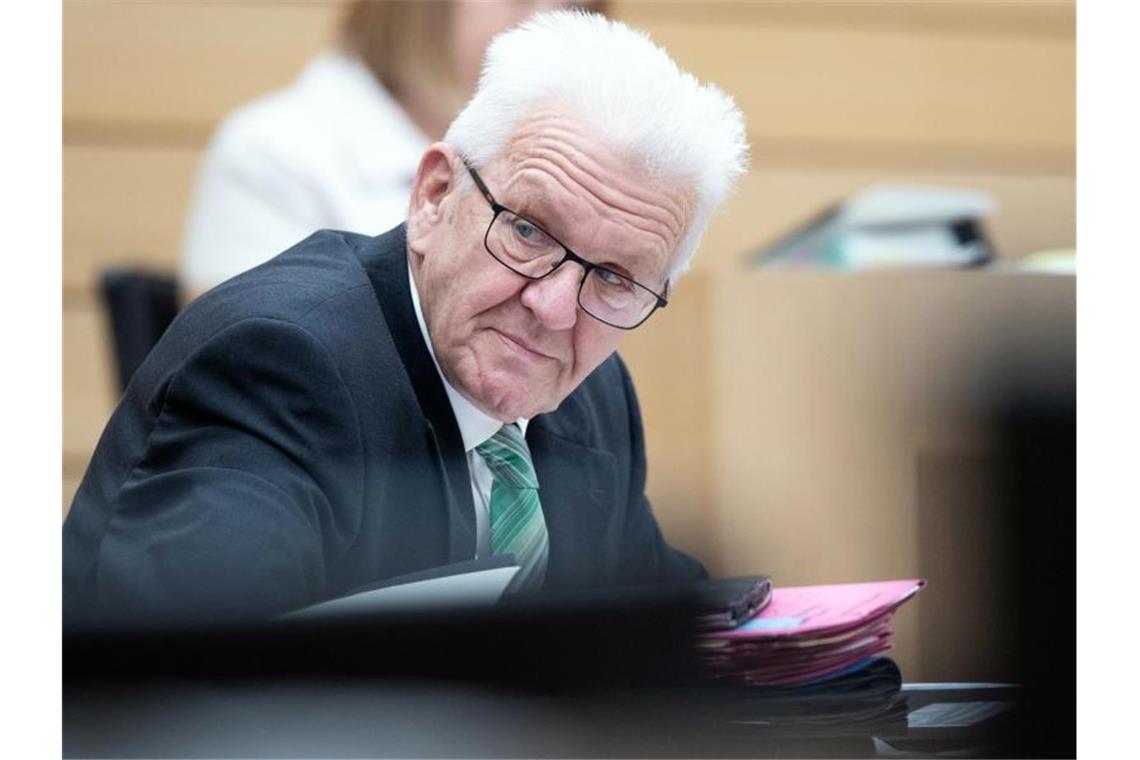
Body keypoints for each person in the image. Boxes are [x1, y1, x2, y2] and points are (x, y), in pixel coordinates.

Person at [63, 10, 748, 626]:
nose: (554, 308)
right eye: (530, 233)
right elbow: (201, 691)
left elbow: (659, 631)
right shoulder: (278, 366)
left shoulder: (593, 396)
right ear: (433, 197)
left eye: (613, 278)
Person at [179, 0, 589, 299]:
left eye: (574, 3)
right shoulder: (268, 152)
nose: (548, 22)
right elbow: (250, 367)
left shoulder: (582, 173)